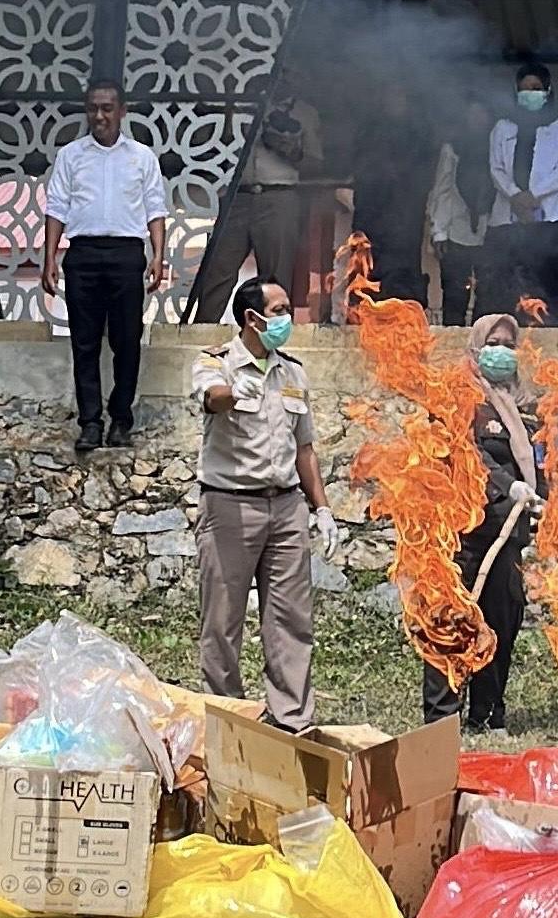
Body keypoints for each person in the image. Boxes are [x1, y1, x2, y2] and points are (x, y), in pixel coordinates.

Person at [191, 276, 338, 732]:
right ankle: (227, 719)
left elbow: (304, 447)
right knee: (222, 620)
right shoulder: (215, 362)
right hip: (231, 505)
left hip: (286, 506)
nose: (287, 319)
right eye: (279, 311)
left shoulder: (292, 372)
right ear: (252, 318)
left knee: (291, 619)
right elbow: (211, 398)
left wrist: (322, 508)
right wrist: (235, 392)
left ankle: (292, 720)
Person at [422, 313, 542, 733]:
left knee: (501, 620)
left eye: (509, 344)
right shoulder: (456, 395)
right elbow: (467, 454)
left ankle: (488, 713)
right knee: (452, 620)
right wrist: (508, 487)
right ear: (475, 348)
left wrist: (542, 498)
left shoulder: (525, 405)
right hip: (464, 528)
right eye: (493, 343)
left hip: (508, 533)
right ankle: (442, 718)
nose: (502, 352)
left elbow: (539, 459)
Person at [42, 79, 168, 452]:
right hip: (82, 254)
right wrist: (50, 258)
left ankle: (121, 421)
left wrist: (158, 255)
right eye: (93, 108)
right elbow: (56, 207)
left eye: (107, 108)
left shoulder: (142, 157)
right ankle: (90, 423)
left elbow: (155, 208)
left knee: (126, 340)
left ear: (122, 111)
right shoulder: (70, 156)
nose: (100, 115)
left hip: (127, 254)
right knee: (84, 342)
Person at [190, 88, 320, 324]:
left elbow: (315, 164)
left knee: (277, 273)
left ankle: (275, 333)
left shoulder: (304, 112)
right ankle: (203, 330)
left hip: (278, 195)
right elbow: (208, 147)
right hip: (237, 196)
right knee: (217, 269)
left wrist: (290, 150)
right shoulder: (241, 104)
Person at [482, 63, 558, 327]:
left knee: (551, 289)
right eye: (524, 88)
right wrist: (516, 196)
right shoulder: (502, 128)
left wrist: (534, 195)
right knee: (505, 289)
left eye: (536, 88)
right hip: (508, 221)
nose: (530, 93)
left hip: (551, 221)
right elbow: (496, 169)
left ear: (548, 91)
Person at [353, 86, 437, 305]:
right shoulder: (370, 132)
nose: (394, 102)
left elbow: (425, 173)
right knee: (371, 269)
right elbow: (360, 169)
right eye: (390, 97)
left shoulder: (418, 134)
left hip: (405, 216)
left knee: (404, 270)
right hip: (373, 214)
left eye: (399, 97)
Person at [427, 99, 496, 326]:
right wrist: (439, 233)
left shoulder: (497, 147)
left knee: (488, 296)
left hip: (489, 232)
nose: (477, 120)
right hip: (456, 232)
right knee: (455, 295)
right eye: (472, 115)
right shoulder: (452, 149)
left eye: (481, 115)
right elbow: (442, 190)